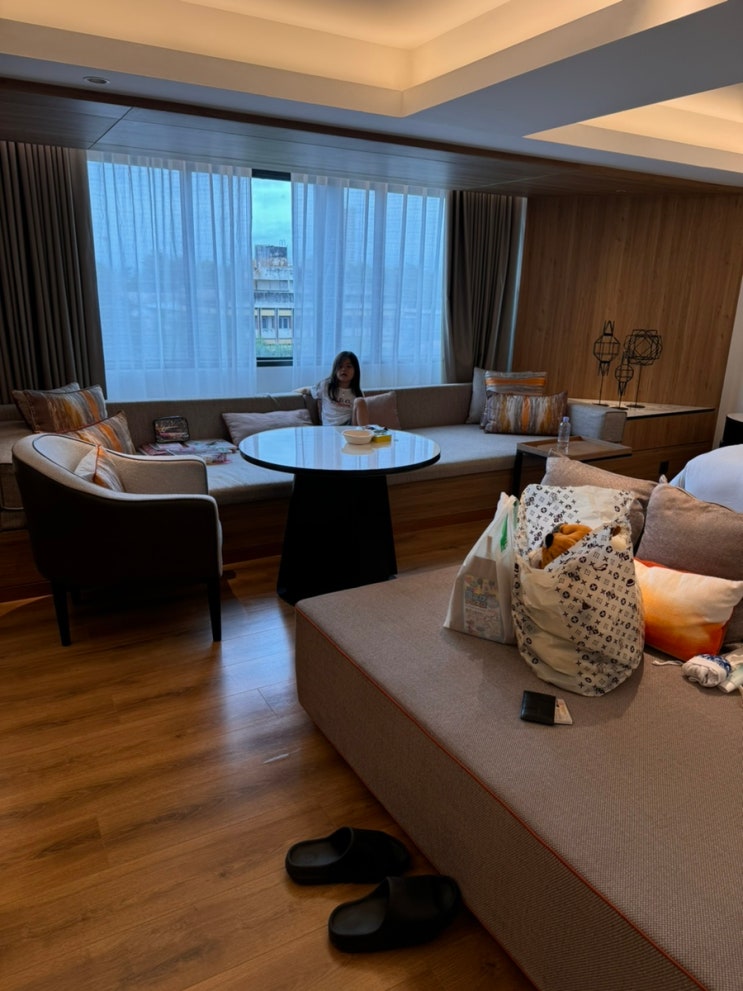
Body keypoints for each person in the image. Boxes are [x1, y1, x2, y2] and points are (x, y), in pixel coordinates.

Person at [299, 351, 364, 426]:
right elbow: (308, 390)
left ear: (355, 370)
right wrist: (295, 391)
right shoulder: (326, 385)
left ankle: (366, 431)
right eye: (340, 366)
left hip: (349, 427)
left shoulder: (357, 392)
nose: (344, 369)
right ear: (335, 369)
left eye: (348, 366)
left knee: (360, 401)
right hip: (330, 428)